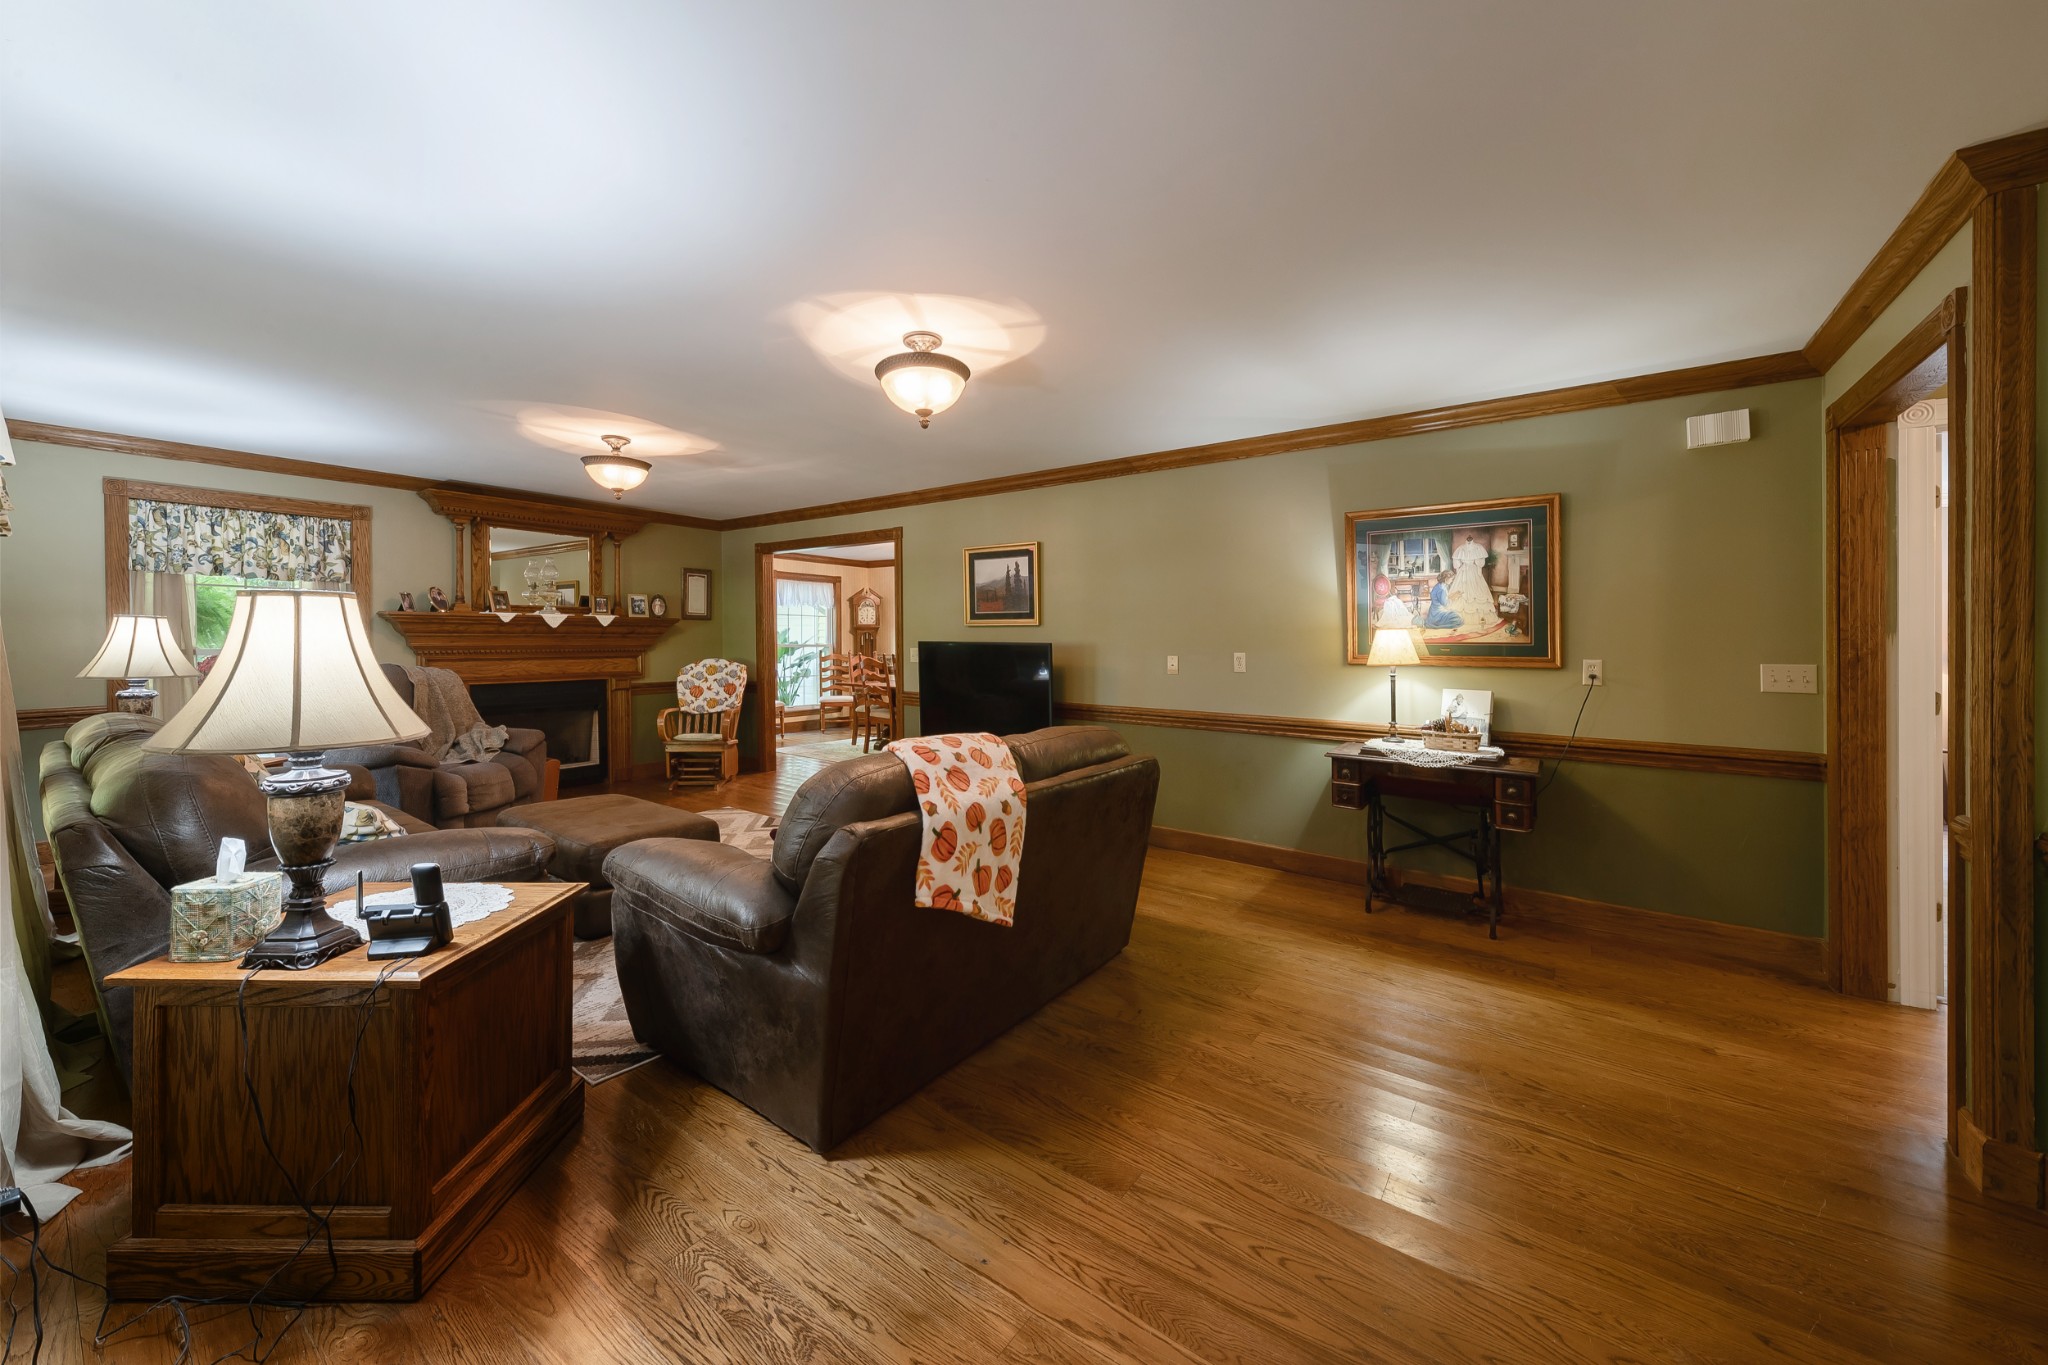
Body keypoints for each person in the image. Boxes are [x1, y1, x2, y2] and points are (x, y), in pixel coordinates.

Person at [1447, 533, 1500, 631]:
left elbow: (1480, 563)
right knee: (1461, 594)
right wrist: (1461, 567)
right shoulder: (1461, 548)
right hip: (1463, 572)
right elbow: (1456, 564)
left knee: (1476, 591)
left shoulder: (1478, 547)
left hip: (1474, 571)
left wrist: (1474, 562)